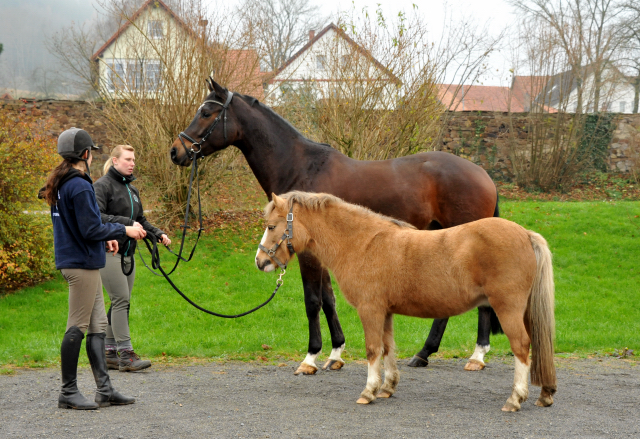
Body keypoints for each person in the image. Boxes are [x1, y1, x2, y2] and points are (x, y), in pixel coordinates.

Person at [41, 127, 147, 410]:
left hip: (85, 258)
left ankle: (105, 389)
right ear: (86, 154)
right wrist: (123, 229)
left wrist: (105, 239)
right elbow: (91, 227)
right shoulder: (80, 185)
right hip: (81, 265)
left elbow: (82, 228)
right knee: (76, 326)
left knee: (98, 325)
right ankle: (68, 391)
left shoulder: (64, 183)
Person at [94, 145, 171, 372]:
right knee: (121, 300)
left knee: (121, 301)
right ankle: (126, 355)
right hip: (109, 252)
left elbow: (140, 219)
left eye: (134, 159)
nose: (132, 163)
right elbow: (98, 217)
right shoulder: (101, 186)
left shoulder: (133, 190)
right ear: (115, 161)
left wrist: (158, 233)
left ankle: (109, 354)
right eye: (128, 159)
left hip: (129, 255)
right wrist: (127, 224)